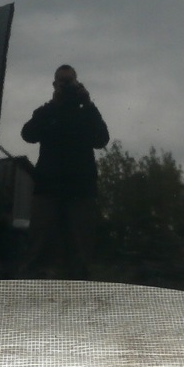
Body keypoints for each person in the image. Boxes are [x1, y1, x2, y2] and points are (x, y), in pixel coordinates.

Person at [19, 65, 109, 278]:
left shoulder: (85, 113)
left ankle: (78, 287)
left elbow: (102, 139)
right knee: (39, 242)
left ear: (78, 84)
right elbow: (28, 134)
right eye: (62, 81)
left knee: (81, 247)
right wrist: (53, 104)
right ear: (54, 85)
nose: (66, 85)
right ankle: (31, 282)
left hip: (80, 189)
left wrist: (88, 104)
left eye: (70, 81)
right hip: (49, 188)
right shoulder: (47, 112)